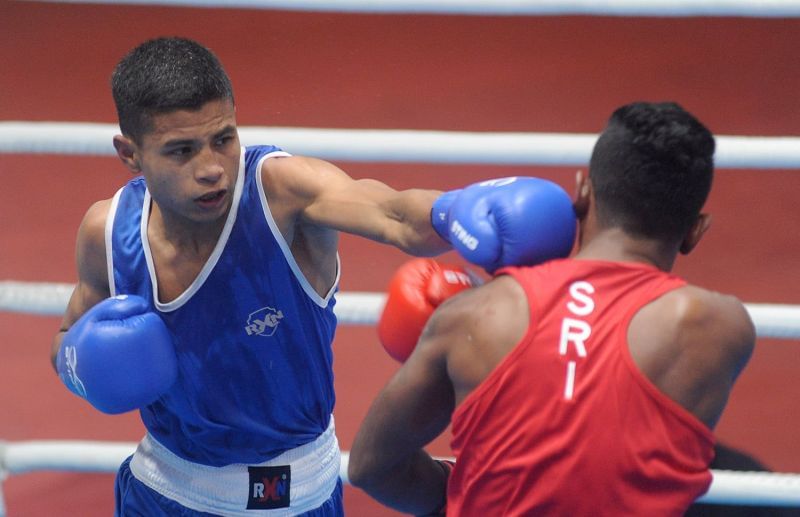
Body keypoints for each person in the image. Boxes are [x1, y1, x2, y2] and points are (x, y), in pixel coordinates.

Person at [48, 37, 576, 516]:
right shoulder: (107, 230)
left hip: (298, 497)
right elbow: (66, 340)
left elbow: (391, 213)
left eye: (223, 139)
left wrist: (457, 210)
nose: (212, 168)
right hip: (163, 495)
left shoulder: (281, 192)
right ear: (130, 154)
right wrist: (82, 367)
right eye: (182, 151)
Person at [348, 102, 756, 516]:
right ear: (695, 231)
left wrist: (466, 493)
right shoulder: (720, 328)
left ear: (581, 193)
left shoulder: (478, 315)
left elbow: (372, 466)